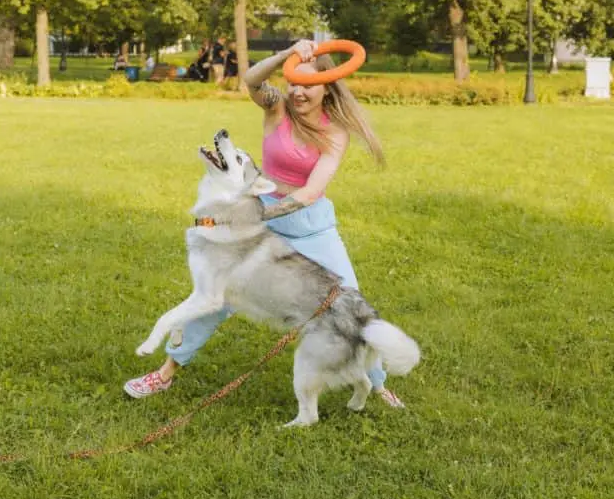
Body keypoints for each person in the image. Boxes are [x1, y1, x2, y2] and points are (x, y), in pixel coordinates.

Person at [125, 39, 406, 409]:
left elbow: (310, 192)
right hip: (262, 221)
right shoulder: (277, 108)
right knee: (218, 296)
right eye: (295, 82)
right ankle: (164, 373)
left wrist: (259, 214)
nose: (299, 91)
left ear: (328, 85)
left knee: (348, 302)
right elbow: (252, 80)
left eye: (309, 84)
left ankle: (378, 382)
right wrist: (286, 54)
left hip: (311, 226)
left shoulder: (335, 131)